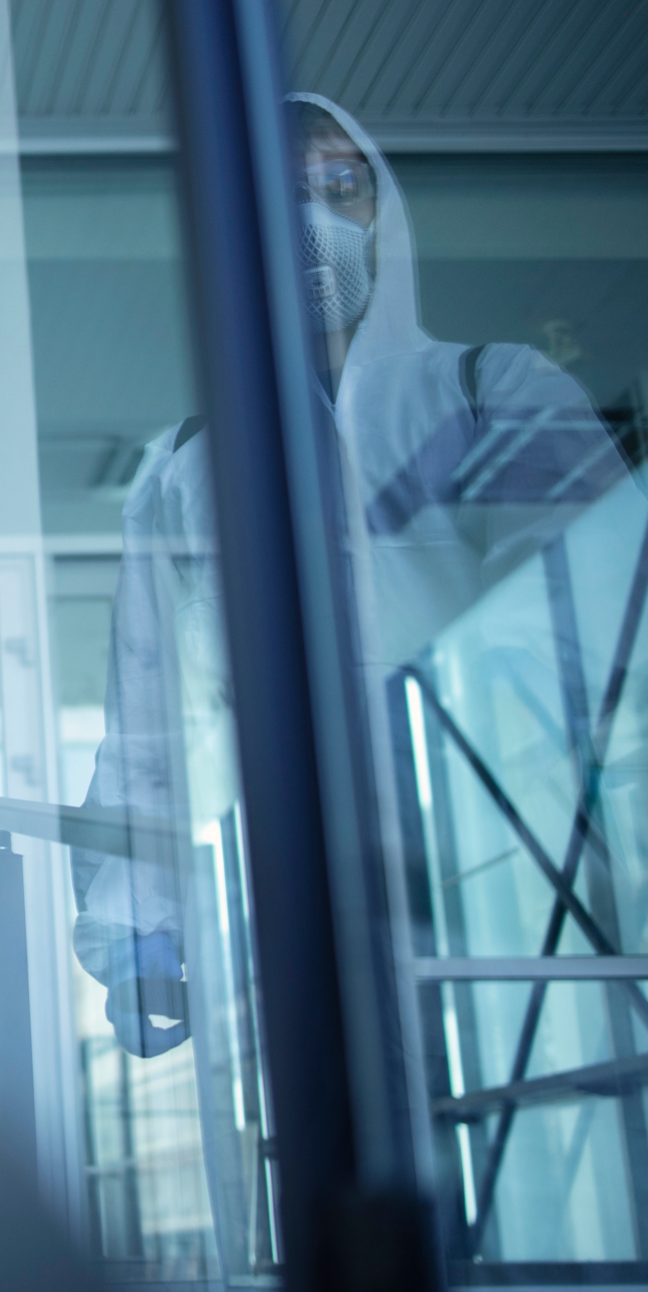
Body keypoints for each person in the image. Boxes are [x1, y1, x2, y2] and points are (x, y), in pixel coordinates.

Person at [73, 93, 632, 1058]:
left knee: (547, 1141)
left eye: (342, 188)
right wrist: (135, 928)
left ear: (386, 215)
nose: (315, 219)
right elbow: (152, 722)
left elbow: (592, 629)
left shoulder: (495, 391)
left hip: (516, 875)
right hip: (295, 897)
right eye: (282, 194)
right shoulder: (181, 470)